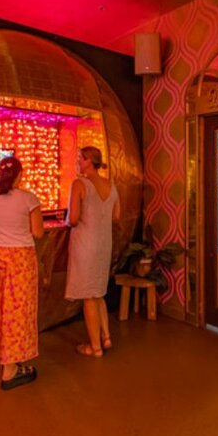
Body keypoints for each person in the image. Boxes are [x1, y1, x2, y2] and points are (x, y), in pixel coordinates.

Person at [0, 156, 44, 390]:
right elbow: (37, 232)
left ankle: (5, 354)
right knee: (18, 311)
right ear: (19, 174)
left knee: (1, 308)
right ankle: (10, 369)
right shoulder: (28, 198)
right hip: (20, 258)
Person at [66, 146, 120, 357]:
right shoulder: (112, 185)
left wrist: (69, 217)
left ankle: (95, 347)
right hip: (104, 243)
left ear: (88, 161)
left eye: (79, 158)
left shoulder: (80, 184)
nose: (78, 162)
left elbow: (73, 219)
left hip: (85, 244)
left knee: (89, 295)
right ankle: (106, 337)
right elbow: (116, 215)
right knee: (99, 292)